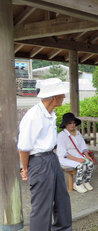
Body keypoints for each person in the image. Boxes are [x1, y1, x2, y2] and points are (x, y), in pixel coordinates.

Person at [17, 78, 72, 231]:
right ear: (54, 97)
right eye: (62, 94)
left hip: (51, 158)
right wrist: (26, 169)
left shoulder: (50, 113)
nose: (64, 97)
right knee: (42, 207)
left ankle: (64, 228)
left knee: (62, 200)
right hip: (39, 161)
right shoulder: (34, 116)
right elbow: (23, 148)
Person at [57, 113, 94, 193]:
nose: (72, 125)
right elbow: (63, 152)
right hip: (66, 158)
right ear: (65, 124)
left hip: (78, 155)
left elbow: (82, 145)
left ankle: (86, 181)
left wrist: (87, 155)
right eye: (70, 123)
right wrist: (77, 159)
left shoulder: (77, 133)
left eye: (74, 123)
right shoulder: (61, 135)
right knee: (81, 166)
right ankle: (77, 184)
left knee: (90, 163)